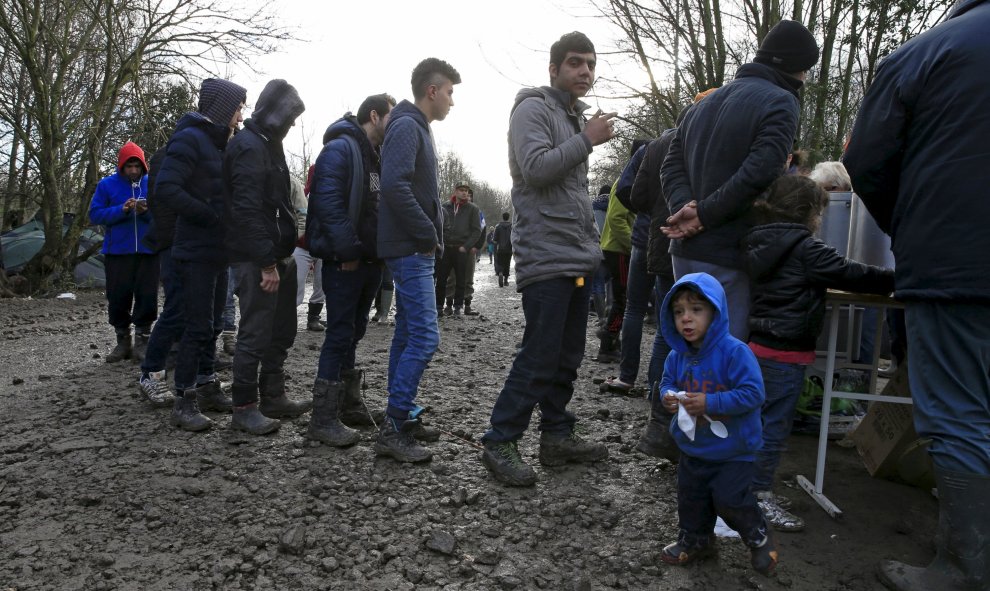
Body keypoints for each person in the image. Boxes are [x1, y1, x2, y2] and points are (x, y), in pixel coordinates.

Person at [843, 1, 990, 588]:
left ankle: (962, 566)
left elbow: (866, 159)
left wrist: (914, 229)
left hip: (956, 264)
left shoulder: (923, 53)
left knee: (958, 411)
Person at [479, 31, 616, 486]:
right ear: (554, 68)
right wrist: (589, 139)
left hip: (575, 257)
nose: (585, 72)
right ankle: (500, 438)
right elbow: (535, 169)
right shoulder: (533, 108)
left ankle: (556, 435)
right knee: (539, 353)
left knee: (568, 353)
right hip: (545, 255)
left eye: (590, 65)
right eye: (575, 63)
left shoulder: (572, 116)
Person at [743, 175, 894, 532]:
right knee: (774, 428)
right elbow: (849, 273)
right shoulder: (804, 247)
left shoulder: (758, 241)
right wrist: (897, 279)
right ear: (811, 214)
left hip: (760, 345)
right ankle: (757, 496)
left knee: (757, 423)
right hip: (787, 352)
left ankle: (749, 489)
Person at [661, 19, 820, 341]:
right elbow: (761, 171)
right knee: (724, 359)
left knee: (688, 353)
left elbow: (671, 165)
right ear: (797, 67)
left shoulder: (702, 104)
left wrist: (685, 209)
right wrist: (702, 214)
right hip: (729, 251)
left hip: (685, 249)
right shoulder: (781, 101)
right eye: (805, 70)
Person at [657, 273, 777, 576]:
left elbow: (754, 393)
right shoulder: (676, 355)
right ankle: (696, 540)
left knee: (729, 499)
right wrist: (667, 396)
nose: (686, 319)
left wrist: (711, 403)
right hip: (694, 447)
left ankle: (757, 535)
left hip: (733, 450)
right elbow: (667, 382)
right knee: (691, 498)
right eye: (679, 312)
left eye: (696, 310)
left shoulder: (735, 352)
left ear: (715, 312)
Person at [377, 57, 461, 463]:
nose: (451, 101)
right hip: (410, 248)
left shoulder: (416, 126)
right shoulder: (408, 125)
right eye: (449, 92)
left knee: (408, 334)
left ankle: (401, 414)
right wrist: (428, 233)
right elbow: (394, 185)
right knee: (426, 337)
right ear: (432, 90)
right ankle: (394, 426)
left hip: (412, 247)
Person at [155, 77, 245, 431]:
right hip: (194, 249)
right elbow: (167, 189)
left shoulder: (221, 143)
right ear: (223, 107)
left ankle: (208, 386)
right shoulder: (189, 138)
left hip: (217, 249)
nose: (241, 114)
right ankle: (184, 399)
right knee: (196, 325)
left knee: (214, 322)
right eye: (238, 106)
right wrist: (209, 215)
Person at [306, 92, 395, 447]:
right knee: (339, 333)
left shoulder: (376, 156)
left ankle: (347, 402)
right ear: (374, 116)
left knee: (354, 331)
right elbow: (327, 204)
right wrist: (348, 252)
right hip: (347, 261)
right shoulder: (340, 149)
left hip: (370, 261)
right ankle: (323, 418)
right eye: (391, 116)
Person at [223, 79, 311, 435]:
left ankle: (273, 395)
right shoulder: (248, 146)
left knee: (282, 330)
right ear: (276, 113)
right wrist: (266, 262)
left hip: (278, 256)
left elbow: (278, 205)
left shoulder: (268, 144)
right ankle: (244, 407)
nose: (291, 126)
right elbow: (245, 210)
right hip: (257, 259)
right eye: (289, 119)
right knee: (256, 331)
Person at [88, 141, 158, 363]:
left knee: (147, 296)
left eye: (137, 166)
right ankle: (122, 341)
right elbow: (95, 215)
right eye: (129, 166)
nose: (134, 171)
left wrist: (146, 212)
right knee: (118, 297)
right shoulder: (107, 185)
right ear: (121, 166)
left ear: (143, 166)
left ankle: (143, 341)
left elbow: (165, 216)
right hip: (118, 251)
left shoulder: (153, 184)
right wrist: (122, 209)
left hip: (148, 251)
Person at [435, 181, 482, 316]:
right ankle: (439, 306)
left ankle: (458, 307)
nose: (464, 192)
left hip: (461, 249)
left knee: (462, 279)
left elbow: (477, 231)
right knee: (442, 278)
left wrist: (466, 246)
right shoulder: (445, 206)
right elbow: (438, 225)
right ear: (455, 191)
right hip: (446, 248)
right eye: (461, 189)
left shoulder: (473, 209)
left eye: (466, 190)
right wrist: (439, 242)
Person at [291, 174, 326, 332]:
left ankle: (313, 318)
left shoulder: (334, 196)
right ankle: (287, 320)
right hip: (302, 245)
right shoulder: (302, 195)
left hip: (324, 247)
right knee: (296, 285)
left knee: (321, 285)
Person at [492, 212, 512, 287]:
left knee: (500, 263)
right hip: (509, 249)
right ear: (508, 217)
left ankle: (500, 272)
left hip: (500, 249)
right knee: (507, 263)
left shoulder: (498, 226)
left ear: (502, 217)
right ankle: (506, 280)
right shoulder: (512, 227)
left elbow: (494, 239)